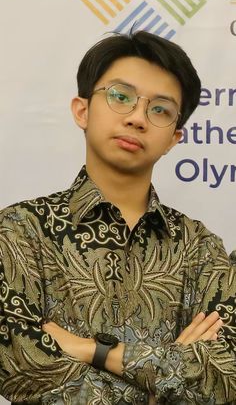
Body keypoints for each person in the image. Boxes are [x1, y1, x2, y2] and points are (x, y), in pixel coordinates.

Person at [0, 30, 235, 405]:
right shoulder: (20, 231)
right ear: (82, 110)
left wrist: (94, 351)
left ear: (174, 138)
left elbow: (227, 376)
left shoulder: (201, 249)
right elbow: (25, 372)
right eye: (121, 97)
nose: (138, 118)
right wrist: (169, 381)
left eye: (160, 109)